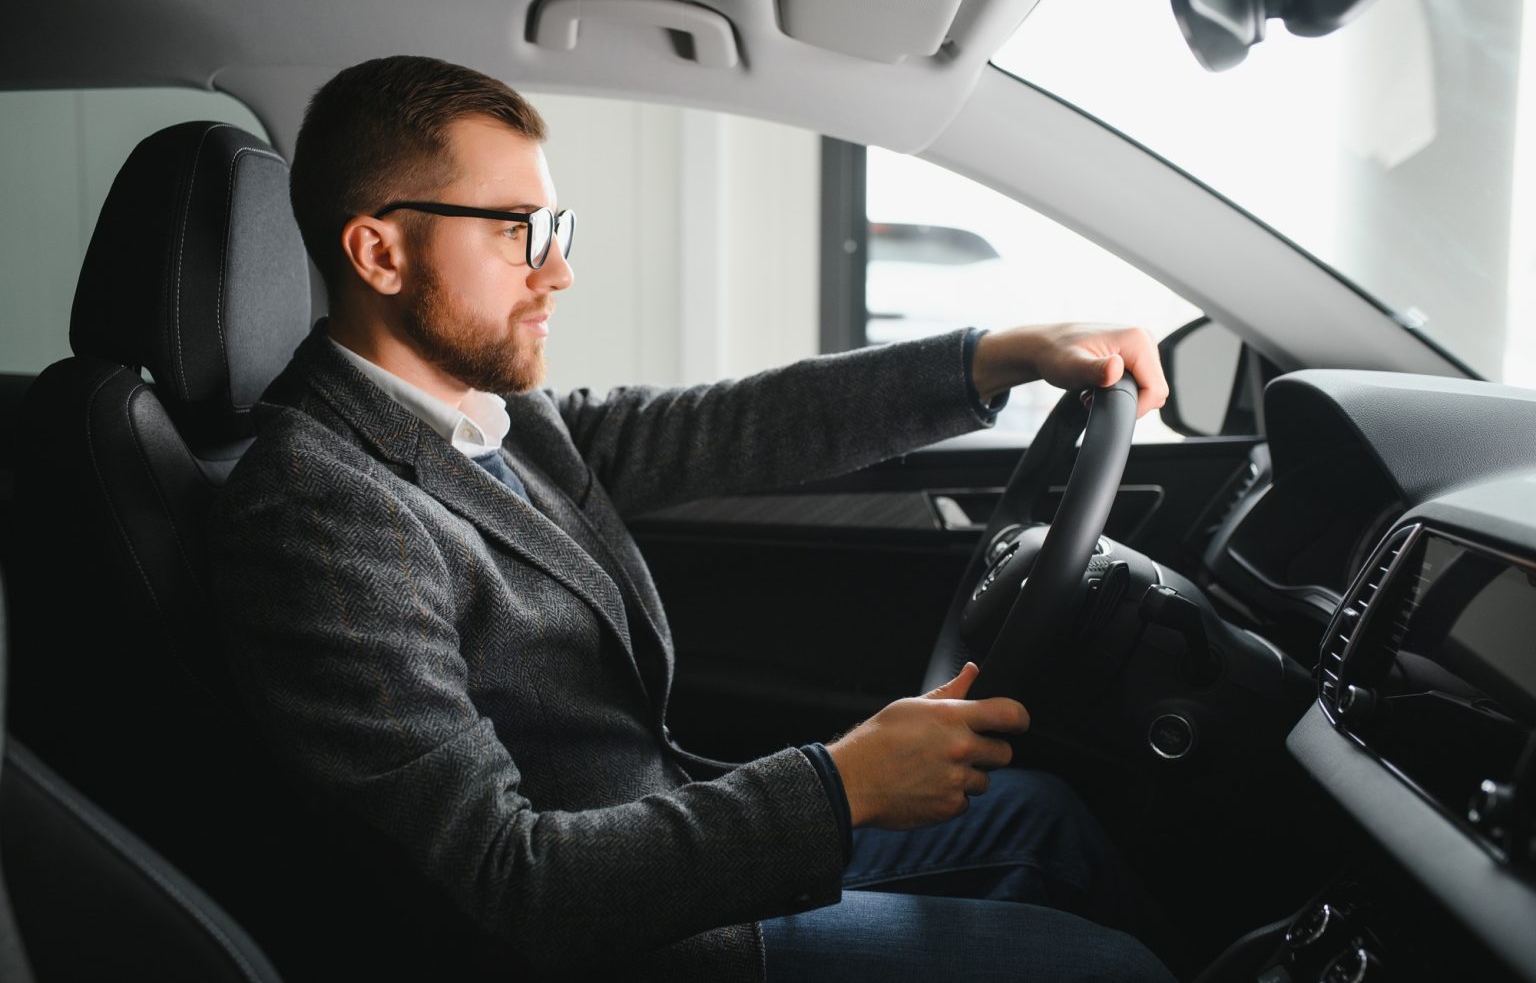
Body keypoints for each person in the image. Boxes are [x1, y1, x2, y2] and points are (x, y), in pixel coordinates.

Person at [208, 55, 1176, 981]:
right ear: (379, 250)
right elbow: (504, 889)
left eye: (557, 230)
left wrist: (996, 355)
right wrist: (839, 786)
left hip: (670, 838)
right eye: (514, 232)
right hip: (622, 944)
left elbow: (739, 423)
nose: (557, 273)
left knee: (1042, 816)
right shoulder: (319, 515)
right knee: (1115, 971)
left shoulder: (487, 413)